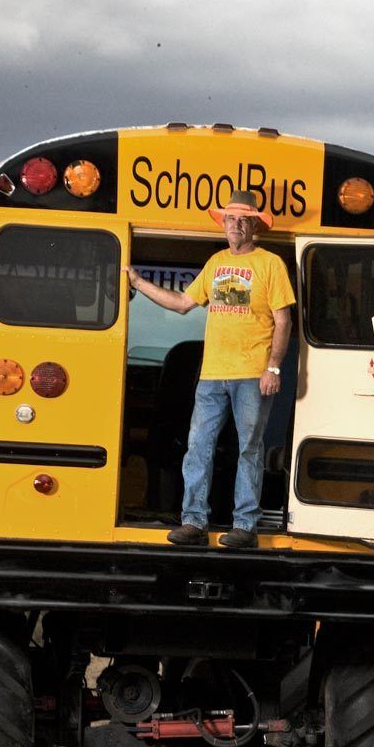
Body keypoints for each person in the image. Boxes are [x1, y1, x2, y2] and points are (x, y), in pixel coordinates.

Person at [125, 191, 295, 548]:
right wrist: (139, 284)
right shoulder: (216, 262)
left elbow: (283, 320)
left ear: (254, 226)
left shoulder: (270, 264)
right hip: (212, 375)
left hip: (252, 373)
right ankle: (193, 522)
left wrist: (274, 368)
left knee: (249, 447)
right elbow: (183, 303)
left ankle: (245, 526)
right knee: (198, 446)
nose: (234, 224)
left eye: (242, 220)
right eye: (230, 219)